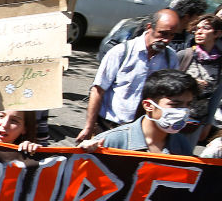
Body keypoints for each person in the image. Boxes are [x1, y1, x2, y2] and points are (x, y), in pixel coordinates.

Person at [77, 8, 181, 141]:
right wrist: (89, 127)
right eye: (163, 33)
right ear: (149, 27)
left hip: (143, 131)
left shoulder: (170, 58)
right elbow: (98, 90)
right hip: (109, 127)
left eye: (172, 35)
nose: (166, 40)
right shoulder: (121, 52)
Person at [80, 69, 196, 156]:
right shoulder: (110, 142)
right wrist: (82, 154)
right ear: (148, 105)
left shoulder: (182, 145)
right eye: (175, 105)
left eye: (188, 104)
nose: (183, 111)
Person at [177, 15, 222, 144]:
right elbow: (168, 85)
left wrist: (208, 123)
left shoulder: (219, 63)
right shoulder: (185, 55)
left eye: (205, 28)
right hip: (176, 118)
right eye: (197, 28)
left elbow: (216, 96)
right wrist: (190, 83)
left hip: (197, 122)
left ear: (217, 34)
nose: (199, 32)